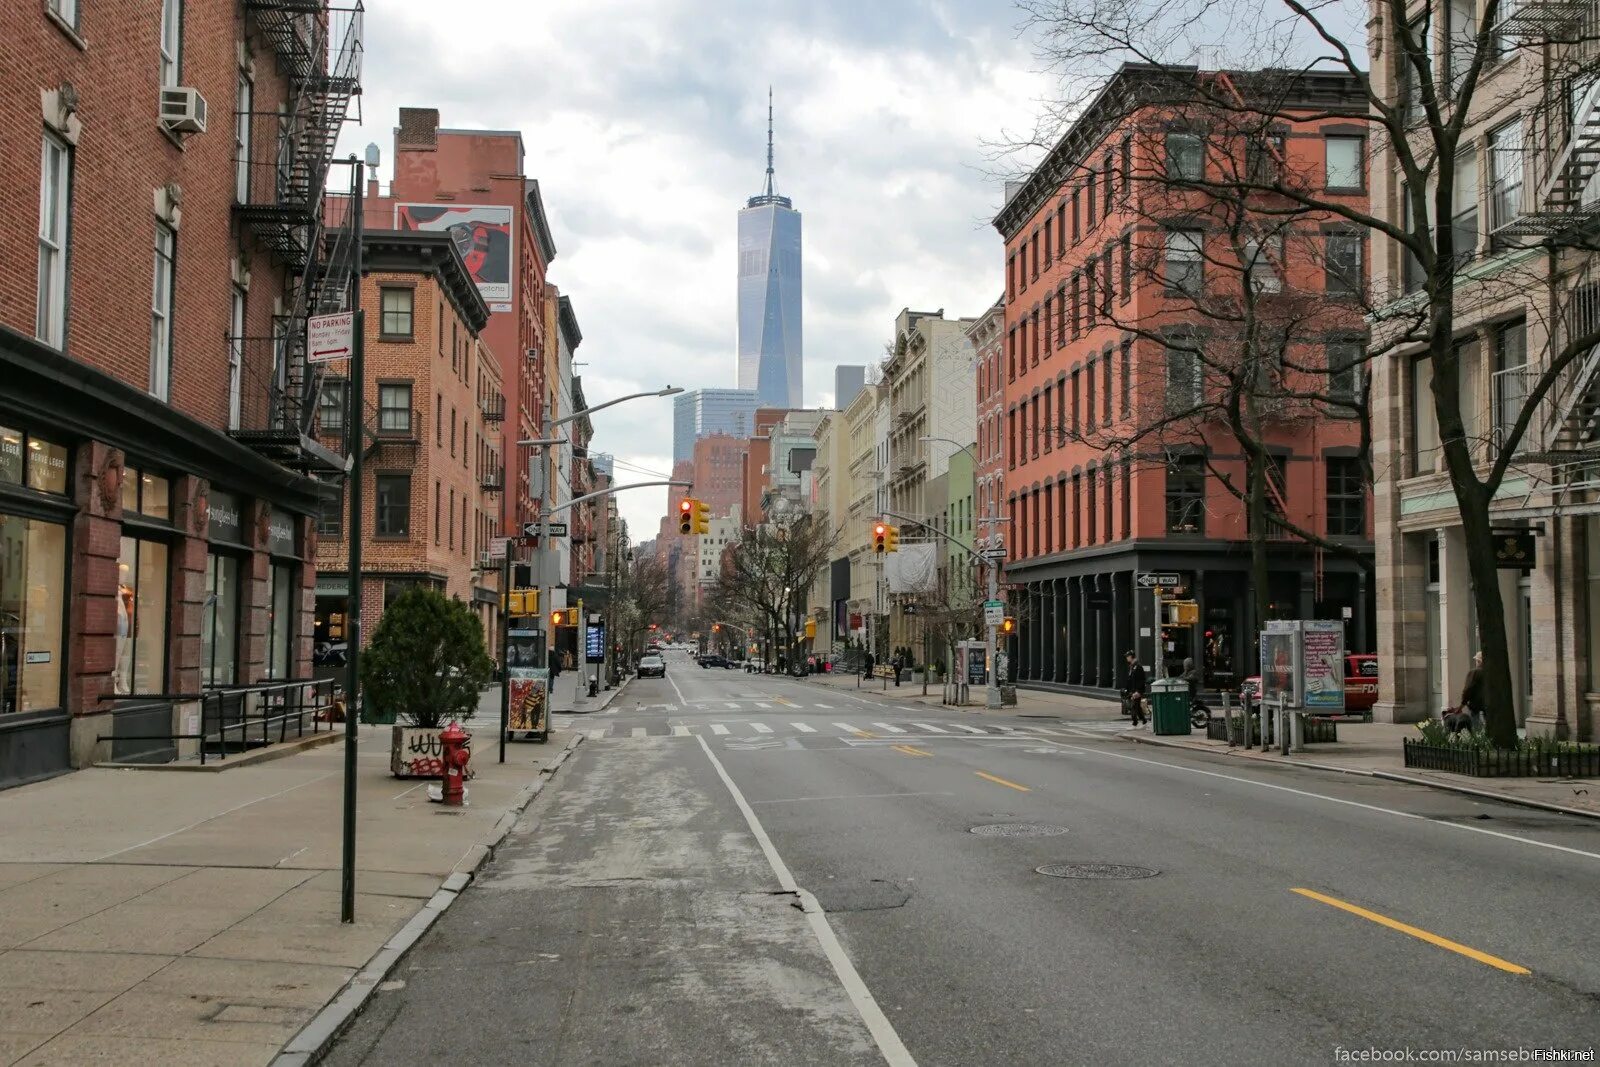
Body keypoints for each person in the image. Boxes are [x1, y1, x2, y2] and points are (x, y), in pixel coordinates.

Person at [1459, 650, 1485, 732]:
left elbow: (1468, 689)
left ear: (1479, 661)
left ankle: (1477, 739)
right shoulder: (1492, 673)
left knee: (1475, 724)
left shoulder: (1474, 673)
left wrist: (1463, 703)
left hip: (1475, 704)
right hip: (1488, 704)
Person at [1122, 651, 1149, 726]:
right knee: (1137, 707)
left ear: (1131, 657)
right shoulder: (1132, 666)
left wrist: (1138, 691)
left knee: (1134, 707)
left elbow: (1141, 680)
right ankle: (1144, 721)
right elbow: (1130, 680)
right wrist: (1127, 689)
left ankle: (1135, 723)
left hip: (1137, 691)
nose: (1126, 658)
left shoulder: (1138, 667)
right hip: (1133, 690)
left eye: (1127, 656)